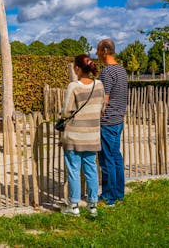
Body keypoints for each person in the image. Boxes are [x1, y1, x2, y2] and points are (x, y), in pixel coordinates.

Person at [60, 54, 105, 217]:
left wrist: (62, 114)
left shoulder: (73, 86)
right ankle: (92, 205)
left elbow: (66, 111)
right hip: (92, 135)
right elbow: (102, 107)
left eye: (74, 66)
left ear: (77, 68)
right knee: (91, 169)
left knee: (73, 170)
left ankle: (74, 206)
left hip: (74, 135)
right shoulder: (99, 85)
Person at [96, 38, 128, 206]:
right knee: (116, 157)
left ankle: (108, 197)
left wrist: (95, 115)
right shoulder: (122, 70)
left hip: (108, 121)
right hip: (119, 120)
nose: (97, 54)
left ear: (105, 51)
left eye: (98, 50)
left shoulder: (107, 72)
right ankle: (119, 193)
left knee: (107, 159)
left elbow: (104, 100)